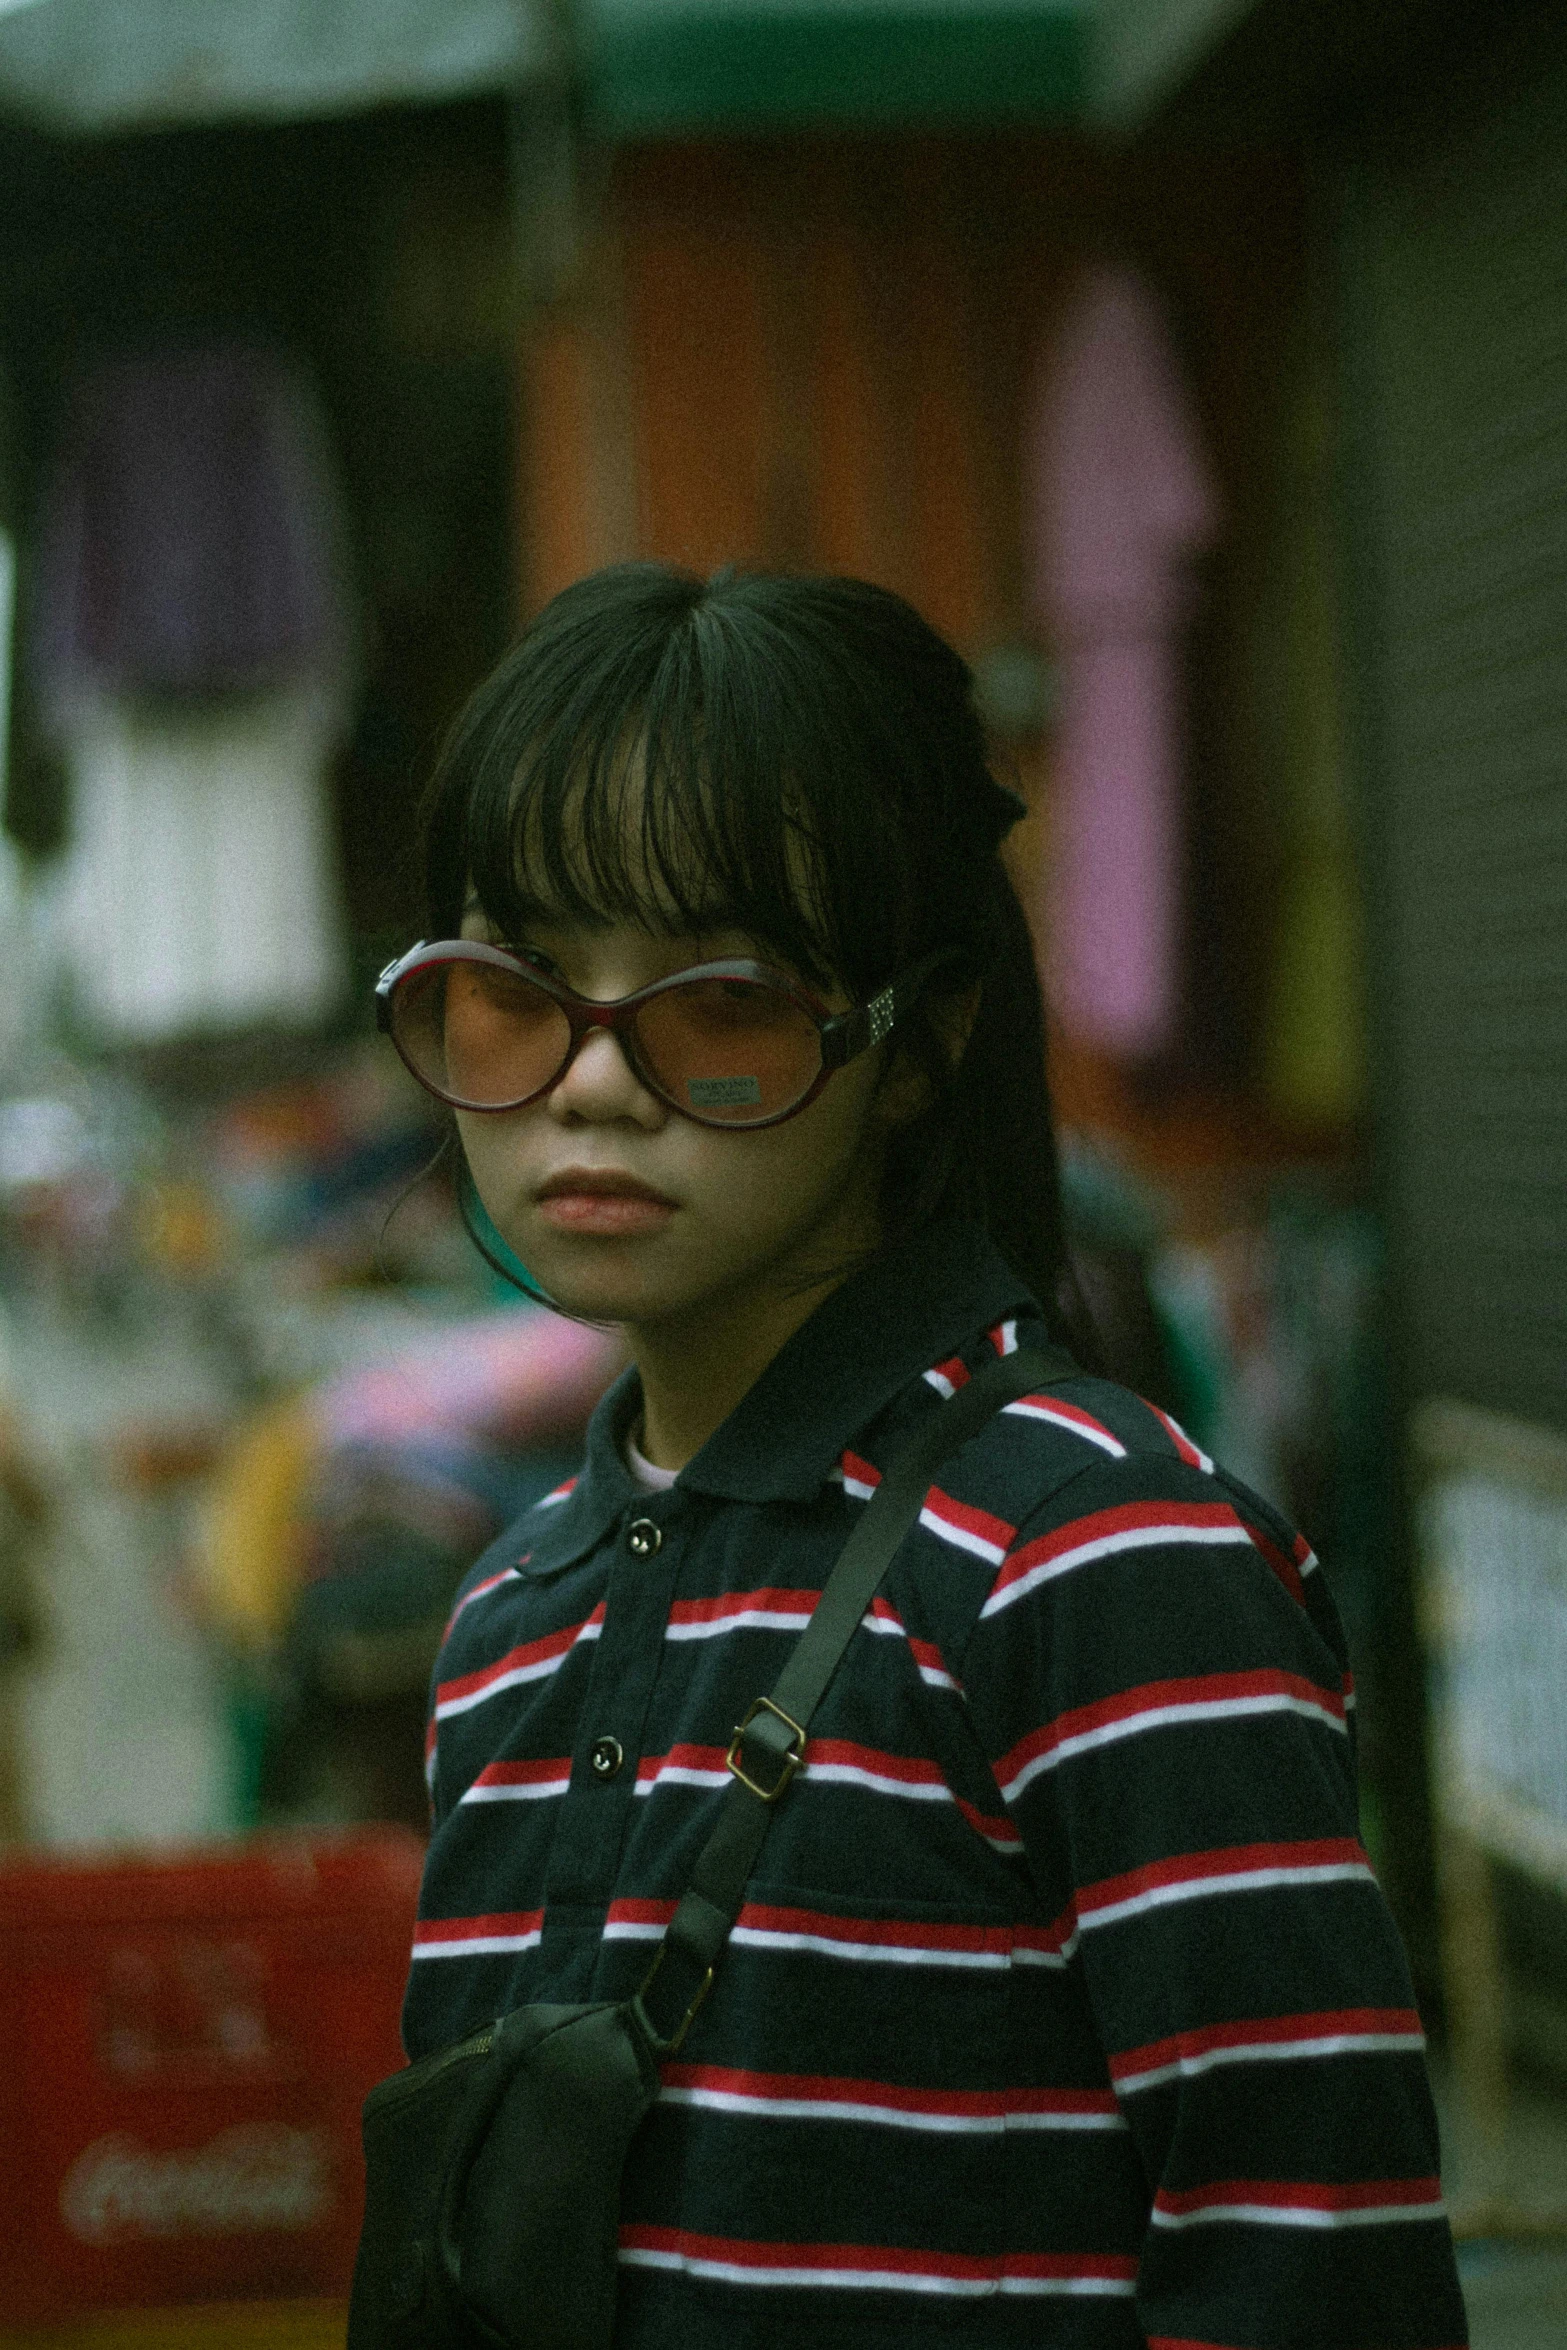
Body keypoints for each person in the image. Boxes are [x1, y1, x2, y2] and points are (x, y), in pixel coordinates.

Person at [378, 564, 1467, 2350]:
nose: (590, 1081)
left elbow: (1313, 2262)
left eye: (716, 1001)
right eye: (515, 992)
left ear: (914, 1043)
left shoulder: (1096, 1554)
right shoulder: (507, 1610)